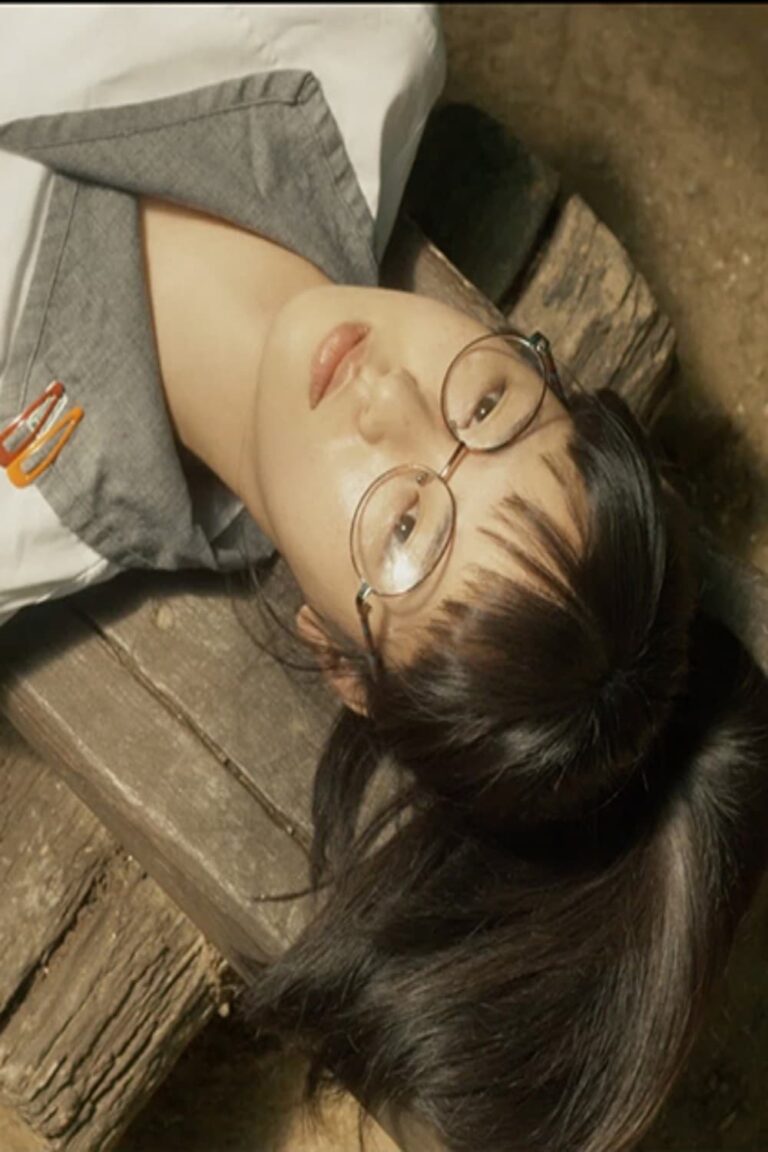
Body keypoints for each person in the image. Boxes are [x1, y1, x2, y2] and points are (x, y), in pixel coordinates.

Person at [1, 7, 766, 1152]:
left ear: (343, 664)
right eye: (491, 406)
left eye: (407, 531)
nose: (392, 400)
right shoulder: (356, 46)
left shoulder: (22, 518)